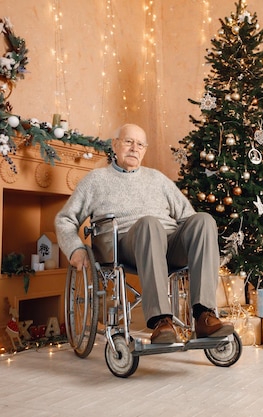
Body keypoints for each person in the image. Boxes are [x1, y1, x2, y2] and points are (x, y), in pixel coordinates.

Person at [55, 123, 233, 344]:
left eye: (140, 144)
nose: (134, 148)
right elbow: (64, 219)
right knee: (149, 225)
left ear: (144, 150)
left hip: (168, 243)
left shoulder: (157, 179)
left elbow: (188, 217)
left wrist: (195, 239)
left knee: (204, 220)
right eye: (128, 142)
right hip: (126, 244)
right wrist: (75, 248)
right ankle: (161, 321)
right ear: (115, 145)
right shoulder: (96, 180)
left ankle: (204, 314)